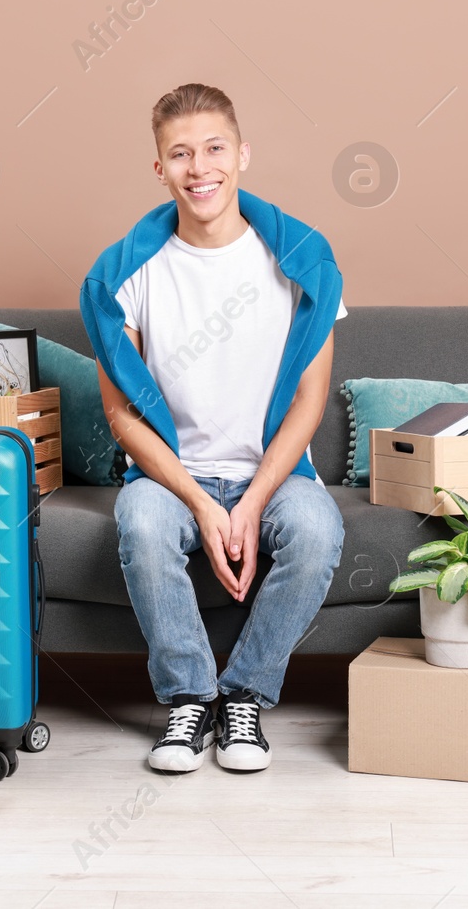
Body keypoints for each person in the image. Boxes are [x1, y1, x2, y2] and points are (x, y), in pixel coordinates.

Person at [79, 82, 347, 773]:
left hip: (275, 472)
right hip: (172, 476)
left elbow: (309, 404)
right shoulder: (123, 276)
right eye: (180, 154)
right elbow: (121, 413)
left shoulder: (304, 262)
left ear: (242, 154)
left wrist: (253, 501)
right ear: (159, 168)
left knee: (317, 531)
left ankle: (245, 694)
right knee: (139, 523)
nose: (199, 168)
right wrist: (200, 502)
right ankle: (190, 697)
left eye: (214, 148)